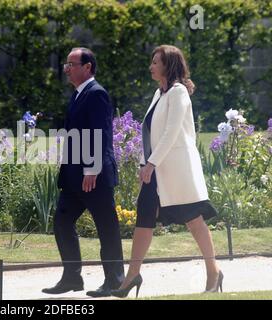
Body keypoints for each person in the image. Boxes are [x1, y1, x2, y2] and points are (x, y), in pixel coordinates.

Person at [111, 45, 223, 298]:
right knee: (144, 220)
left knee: (194, 220)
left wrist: (151, 163)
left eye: (155, 62)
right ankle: (132, 276)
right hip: (154, 170)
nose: (151, 66)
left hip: (176, 171)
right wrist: (144, 164)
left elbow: (172, 133)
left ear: (168, 65)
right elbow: (148, 132)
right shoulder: (158, 93)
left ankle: (213, 272)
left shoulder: (178, 92)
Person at [42, 47, 124, 297]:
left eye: (71, 64)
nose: (66, 69)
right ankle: (72, 278)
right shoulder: (79, 94)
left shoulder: (96, 93)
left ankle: (115, 280)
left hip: (94, 177)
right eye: (66, 64)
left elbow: (100, 134)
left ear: (87, 67)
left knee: (106, 227)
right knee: (62, 222)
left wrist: (92, 169)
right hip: (74, 178)